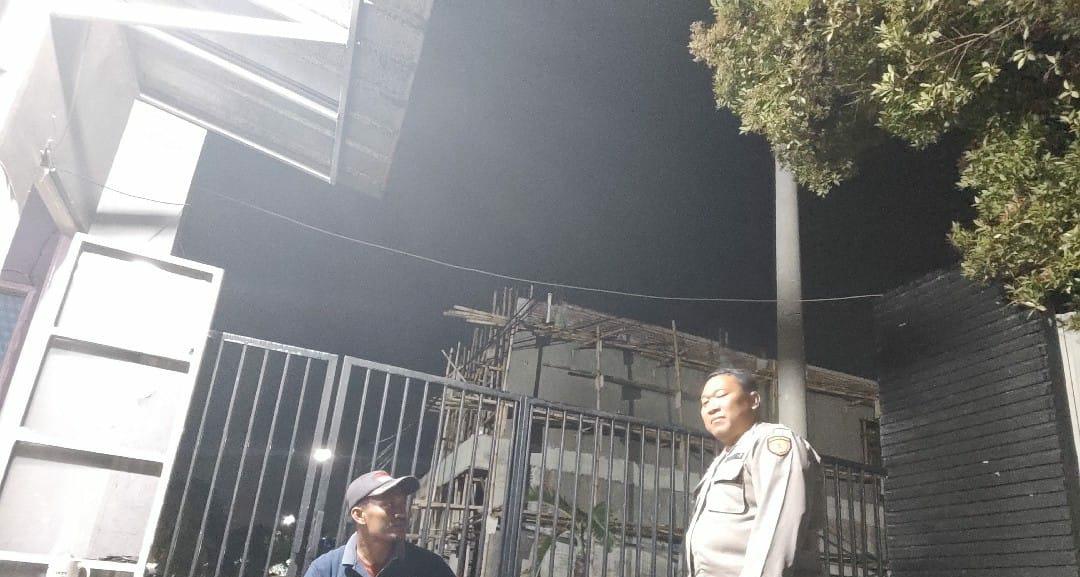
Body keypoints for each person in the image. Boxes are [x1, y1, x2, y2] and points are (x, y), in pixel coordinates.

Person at [686, 368, 823, 577]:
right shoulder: (720, 462)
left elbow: (778, 529)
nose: (711, 408)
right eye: (705, 403)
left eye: (721, 396)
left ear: (754, 400)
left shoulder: (771, 441)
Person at [304, 470, 455, 577]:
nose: (402, 514)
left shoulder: (431, 567)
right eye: (389, 505)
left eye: (403, 504)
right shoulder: (326, 569)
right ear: (359, 515)